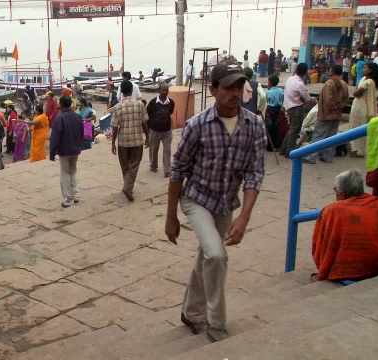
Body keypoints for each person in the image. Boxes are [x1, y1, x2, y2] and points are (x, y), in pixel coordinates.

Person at [165, 62, 266, 343]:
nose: (235, 93)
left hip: (225, 202)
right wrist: (171, 216)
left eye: (239, 87)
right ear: (213, 90)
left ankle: (191, 312)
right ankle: (217, 324)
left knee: (207, 256)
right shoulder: (197, 126)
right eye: (228, 87)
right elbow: (178, 170)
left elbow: (255, 173)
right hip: (196, 199)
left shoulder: (254, 125)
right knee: (217, 255)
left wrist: (244, 217)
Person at [312, 169, 378, 281]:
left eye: (335, 190)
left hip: (349, 271)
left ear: (341, 194)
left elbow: (319, 245)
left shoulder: (332, 210)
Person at [111, 80, 149, 202]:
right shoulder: (140, 105)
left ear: (121, 91)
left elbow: (115, 127)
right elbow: (144, 122)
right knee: (134, 164)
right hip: (137, 140)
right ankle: (128, 187)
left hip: (122, 141)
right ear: (132, 91)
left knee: (125, 165)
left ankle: (127, 186)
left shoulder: (117, 107)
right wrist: (147, 136)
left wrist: (113, 143)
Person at [303, 65, 349, 164]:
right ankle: (327, 157)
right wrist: (339, 107)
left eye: (330, 70)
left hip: (326, 114)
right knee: (331, 137)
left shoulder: (329, 83)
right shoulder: (344, 84)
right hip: (336, 115)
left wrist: (334, 107)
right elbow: (346, 100)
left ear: (332, 71)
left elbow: (328, 100)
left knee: (318, 135)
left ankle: (311, 157)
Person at [50, 96, 84, 208]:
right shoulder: (78, 117)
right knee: (73, 171)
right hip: (75, 149)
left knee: (65, 174)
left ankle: (68, 198)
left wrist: (52, 152)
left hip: (64, 150)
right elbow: (81, 133)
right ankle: (76, 195)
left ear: (61, 105)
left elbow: (55, 137)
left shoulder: (60, 118)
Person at [279, 63, 313, 157]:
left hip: (289, 107)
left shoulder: (290, 79)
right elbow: (308, 99)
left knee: (291, 129)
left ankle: (284, 148)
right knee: (294, 131)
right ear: (305, 72)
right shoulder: (300, 84)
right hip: (296, 108)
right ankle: (289, 151)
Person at [349, 63, 378, 158]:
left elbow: (356, 92)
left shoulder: (369, 82)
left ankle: (360, 151)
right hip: (356, 104)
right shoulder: (363, 79)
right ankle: (354, 148)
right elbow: (356, 90)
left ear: (370, 70)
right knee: (353, 126)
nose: (363, 69)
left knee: (359, 126)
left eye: (365, 68)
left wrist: (356, 91)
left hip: (362, 106)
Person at [146, 83, 175, 177]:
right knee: (154, 150)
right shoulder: (153, 103)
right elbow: (147, 114)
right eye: (163, 90)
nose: (164, 92)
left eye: (166, 90)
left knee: (167, 150)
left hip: (167, 131)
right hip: (155, 131)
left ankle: (167, 170)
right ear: (159, 91)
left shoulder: (171, 103)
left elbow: (170, 112)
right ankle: (153, 165)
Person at [265, 75, 285, 150]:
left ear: (270, 82)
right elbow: (283, 99)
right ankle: (277, 145)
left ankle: (270, 146)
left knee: (269, 128)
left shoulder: (269, 92)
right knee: (277, 127)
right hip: (278, 109)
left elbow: (268, 101)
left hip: (270, 110)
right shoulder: (281, 90)